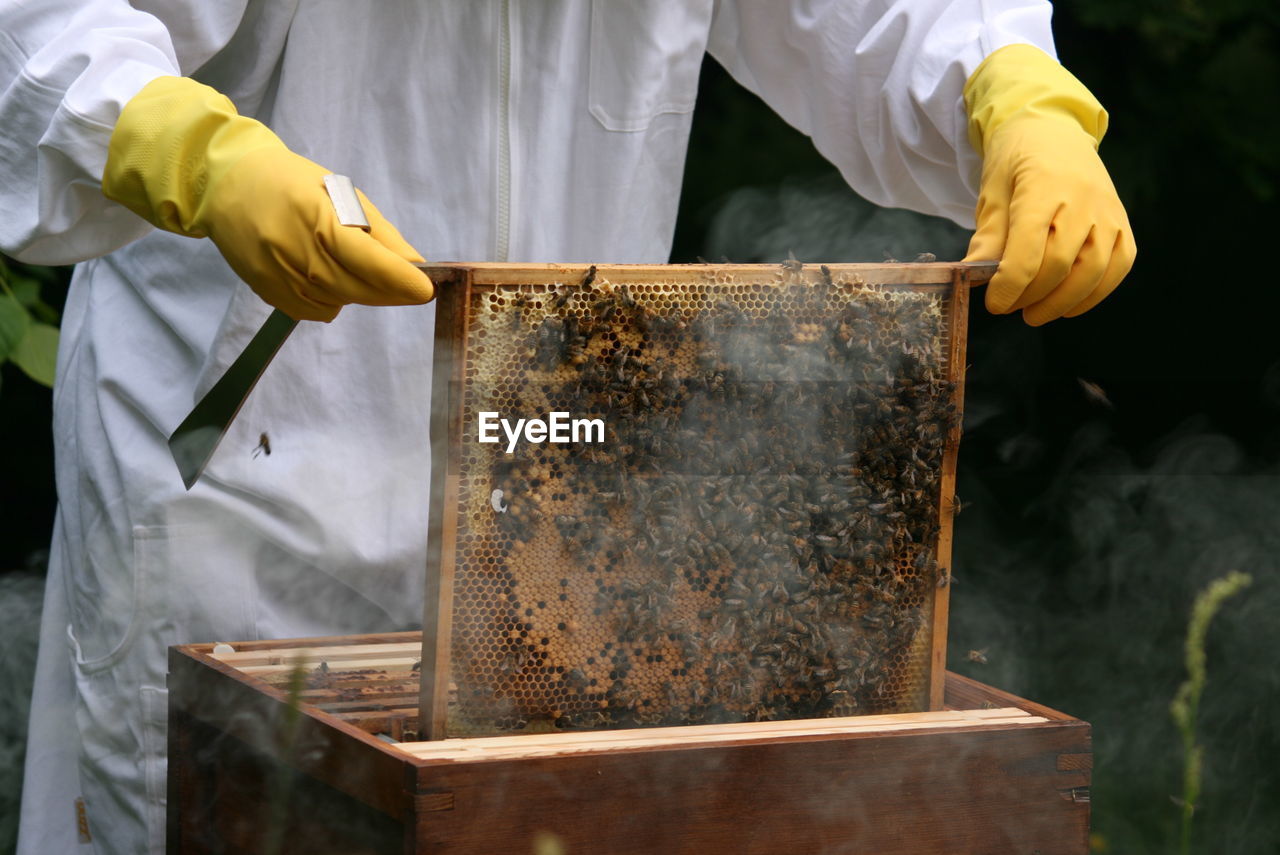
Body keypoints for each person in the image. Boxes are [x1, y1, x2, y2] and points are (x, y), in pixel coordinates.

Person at [0, 2, 1133, 852]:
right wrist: (183, 145)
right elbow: (51, 28)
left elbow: (875, 16)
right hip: (247, 477)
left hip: (559, 486)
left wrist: (1012, 89)